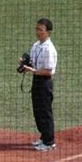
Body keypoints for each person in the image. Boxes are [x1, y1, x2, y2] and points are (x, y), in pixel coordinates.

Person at [19, 18, 57, 151]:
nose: (38, 32)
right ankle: (43, 137)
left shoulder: (49, 49)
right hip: (36, 81)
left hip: (45, 83)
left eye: (41, 30)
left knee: (45, 111)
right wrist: (25, 63)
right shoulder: (36, 45)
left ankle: (49, 142)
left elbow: (48, 71)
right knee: (38, 111)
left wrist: (32, 70)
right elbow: (33, 63)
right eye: (37, 29)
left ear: (48, 32)